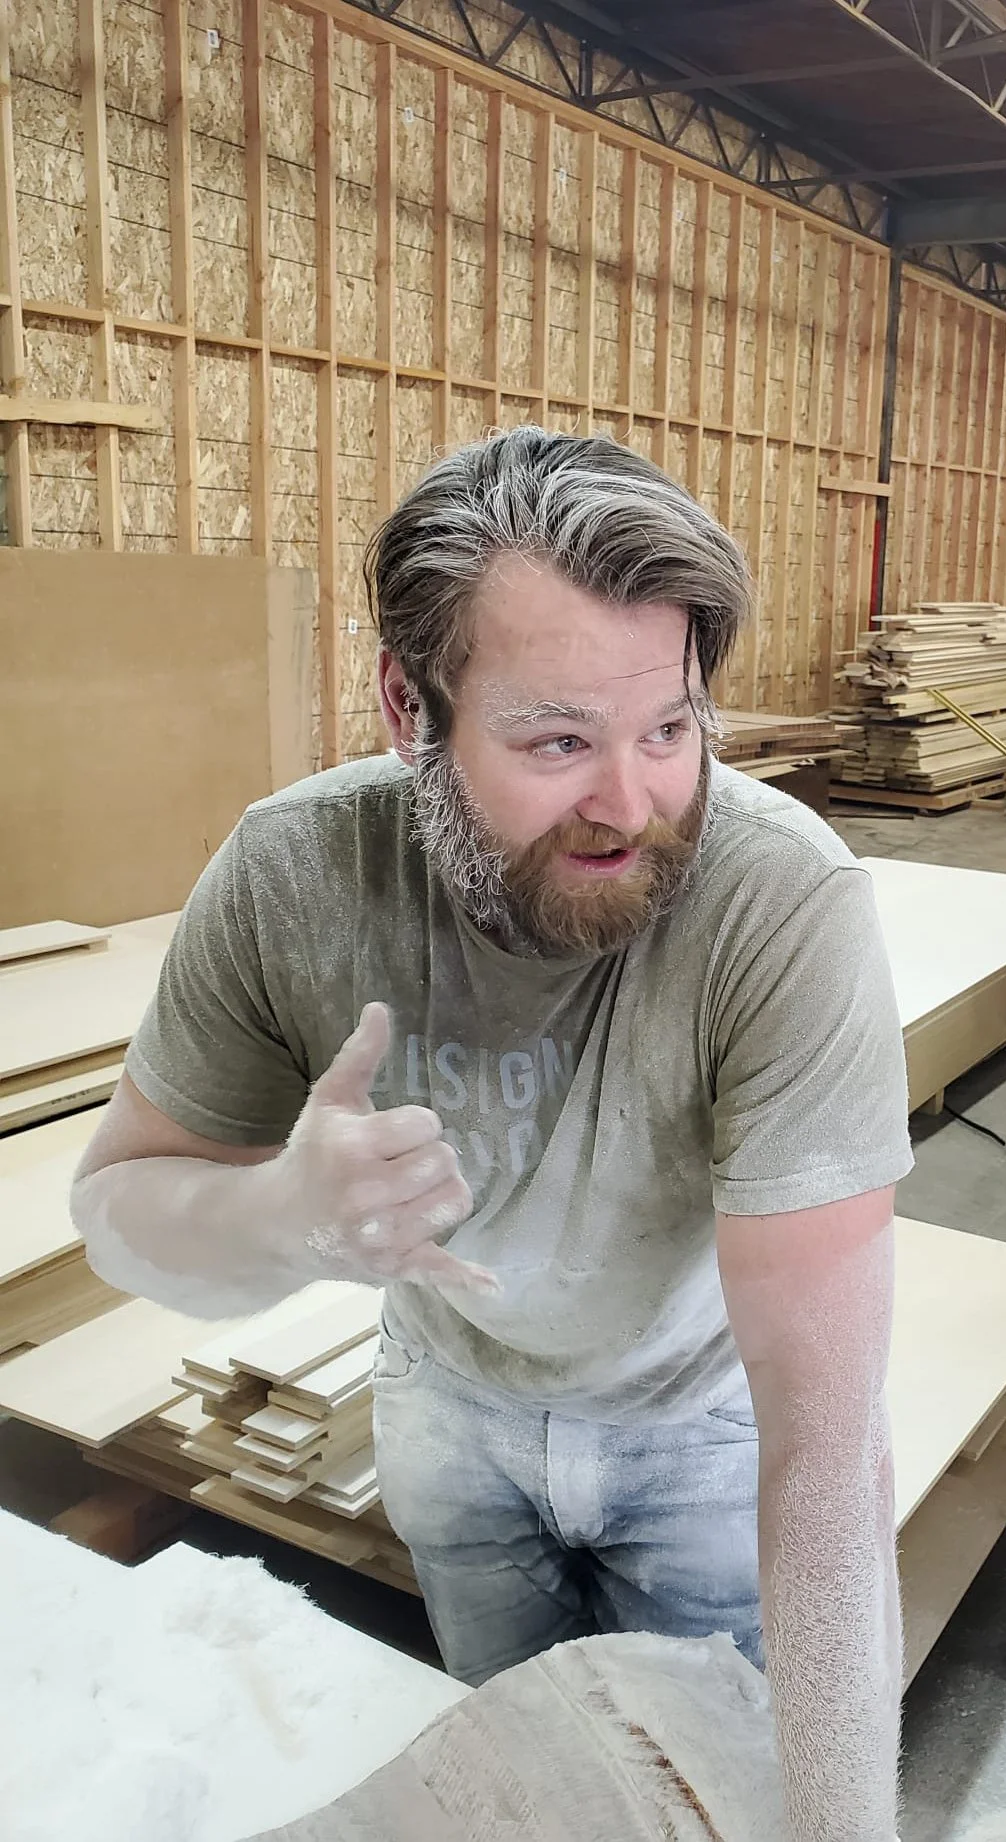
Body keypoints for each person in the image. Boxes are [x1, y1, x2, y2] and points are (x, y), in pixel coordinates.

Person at [72, 426, 914, 1841]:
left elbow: (826, 1449)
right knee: (523, 1777)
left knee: (726, 1789)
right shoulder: (293, 873)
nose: (633, 800)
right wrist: (281, 1219)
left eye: (671, 727)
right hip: (449, 1414)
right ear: (410, 705)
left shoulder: (781, 904)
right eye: (557, 740)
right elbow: (119, 1218)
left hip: (697, 1425)